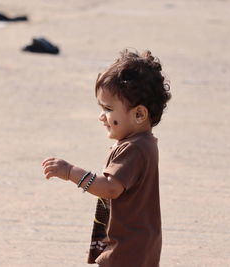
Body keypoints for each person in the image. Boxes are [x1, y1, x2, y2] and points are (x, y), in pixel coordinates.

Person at [41, 49, 171, 267]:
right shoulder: (142, 143)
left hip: (128, 246)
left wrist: (71, 172)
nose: (102, 116)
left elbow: (111, 188)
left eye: (109, 109)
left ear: (139, 114)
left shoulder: (135, 148)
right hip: (137, 242)